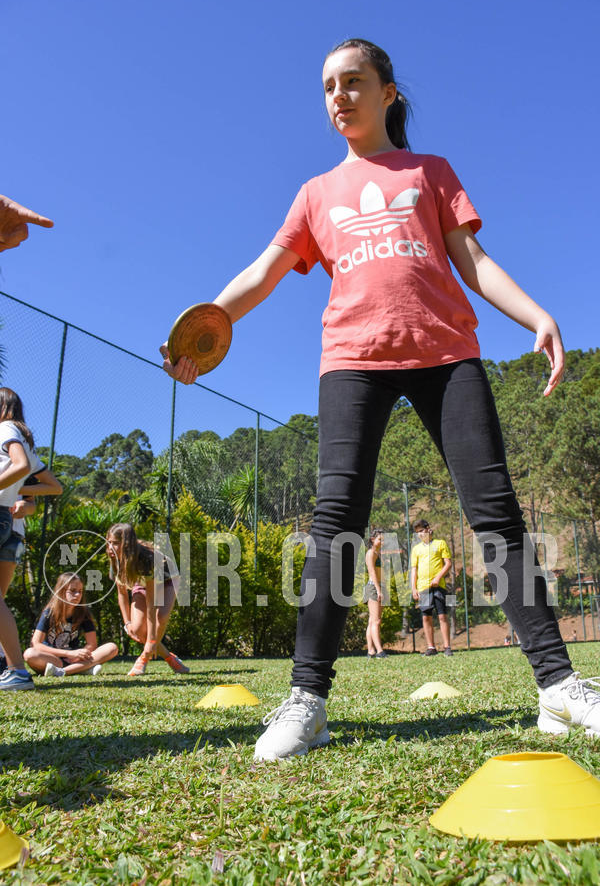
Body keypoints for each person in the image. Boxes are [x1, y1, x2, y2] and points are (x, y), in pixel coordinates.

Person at [162, 38, 599, 758]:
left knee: (494, 509)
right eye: (328, 86)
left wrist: (536, 314)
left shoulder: (430, 172)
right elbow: (265, 271)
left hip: (447, 353)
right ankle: (307, 700)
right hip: (352, 362)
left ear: (388, 92)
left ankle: (558, 686)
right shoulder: (315, 193)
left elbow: (472, 260)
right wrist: (206, 327)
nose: (339, 96)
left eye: (353, 81)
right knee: (336, 522)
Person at [0, 388, 55, 691]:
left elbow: (20, 466)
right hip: (8, 523)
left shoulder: (5, 430)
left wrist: (18, 494)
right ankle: (12, 667)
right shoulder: (23, 440)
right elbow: (54, 486)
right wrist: (19, 493)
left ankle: (15, 670)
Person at [106, 523, 190, 676]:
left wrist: (151, 641)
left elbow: (152, 603)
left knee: (161, 617)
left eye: (115, 543)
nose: (110, 547)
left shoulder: (146, 559)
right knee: (137, 630)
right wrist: (127, 623)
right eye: (109, 542)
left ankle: (143, 659)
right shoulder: (115, 559)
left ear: (126, 544)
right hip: (142, 582)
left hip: (167, 579)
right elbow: (122, 594)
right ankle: (169, 657)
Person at [24, 573, 118, 677]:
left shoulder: (84, 613)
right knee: (29, 654)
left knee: (112, 648)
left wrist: (80, 654)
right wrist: (68, 654)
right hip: (52, 658)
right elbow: (36, 644)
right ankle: (81, 669)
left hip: (75, 659)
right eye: (73, 591)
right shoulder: (49, 613)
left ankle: (62, 672)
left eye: (80, 591)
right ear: (61, 591)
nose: (77, 595)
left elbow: (92, 644)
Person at [410, 519, 453, 656]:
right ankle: (431, 648)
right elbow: (414, 570)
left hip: (439, 587)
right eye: (418, 532)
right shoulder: (416, 549)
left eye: (422, 530)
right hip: (423, 588)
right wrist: (414, 588)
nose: (420, 534)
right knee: (426, 618)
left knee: (442, 616)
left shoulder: (440, 543)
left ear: (428, 529)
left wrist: (438, 578)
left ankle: (447, 647)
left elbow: (448, 564)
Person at [364, 528, 387, 658]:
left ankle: (371, 651)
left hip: (380, 586)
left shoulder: (378, 553)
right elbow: (372, 572)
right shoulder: (370, 553)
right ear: (372, 539)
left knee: (373, 620)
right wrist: (378, 590)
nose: (382, 542)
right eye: (380, 539)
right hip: (373, 587)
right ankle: (379, 651)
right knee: (376, 621)